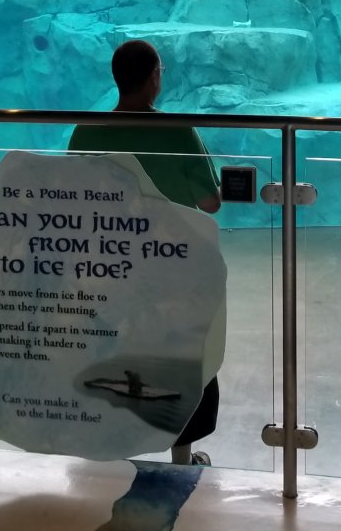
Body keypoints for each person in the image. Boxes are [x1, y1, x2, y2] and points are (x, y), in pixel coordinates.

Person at [67, 39, 222, 464]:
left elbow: (74, 198)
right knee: (180, 354)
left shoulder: (86, 131)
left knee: (111, 351)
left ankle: (110, 446)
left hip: (106, 268)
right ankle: (182, 455)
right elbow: (210, 202)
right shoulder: (177, 129)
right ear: (154, 78)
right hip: (170, 270)